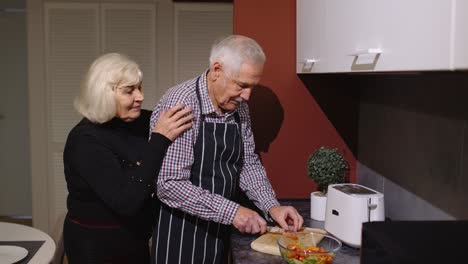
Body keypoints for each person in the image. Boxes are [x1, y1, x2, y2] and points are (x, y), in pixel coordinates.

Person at [150, 35, 304, 264]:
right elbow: (169, 184)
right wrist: (233, 212)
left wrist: (272, 206)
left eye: (252, 86)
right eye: (241, 85)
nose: (247, 95)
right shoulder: (182, 103)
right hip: (181, 233)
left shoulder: (238, 107)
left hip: (221, 229)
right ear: (217, 69)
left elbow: (248, 164)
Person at [62, 53, 193, 264]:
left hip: (134, 240)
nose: (140, 96)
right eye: (129, 91)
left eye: (140, 87)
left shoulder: (138, 121)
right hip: (96, 247)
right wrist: (159, 140)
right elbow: (126, 201)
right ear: (103, 94)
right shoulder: (84, 140)